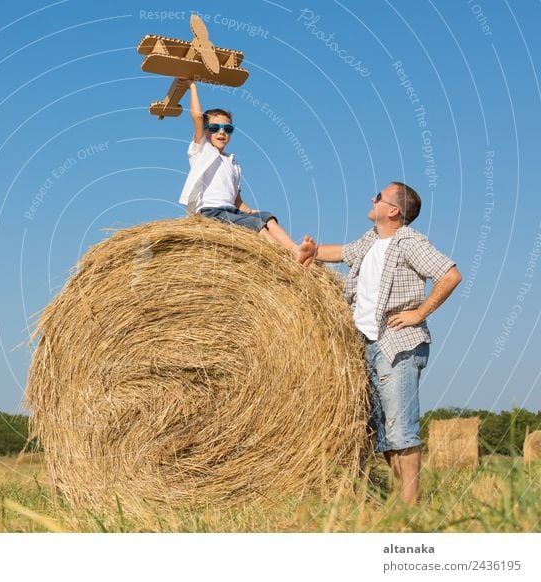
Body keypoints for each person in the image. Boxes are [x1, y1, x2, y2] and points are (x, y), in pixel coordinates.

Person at [315, 182, 461, 504]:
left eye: (378, 196)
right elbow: (341, 253)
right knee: (383, 435)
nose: (372, 198)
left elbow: (450, 275)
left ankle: (410, 511)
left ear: (393, 210)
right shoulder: (371, 241)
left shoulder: (409, 242)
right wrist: (308, 252)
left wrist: (420, 312)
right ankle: (403, 502)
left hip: (398, 345)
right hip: (368, 344)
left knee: (401, 430)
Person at [177, 79, 316, 264]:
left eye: (227, 128)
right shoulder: (202, 151)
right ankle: (281, 261)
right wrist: (191, 86)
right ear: (205, 131)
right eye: (214, 128)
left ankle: (294, 250)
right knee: (255, 225)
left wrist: (251, 210)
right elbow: (196, 116)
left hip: (232, 211)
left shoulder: (233, 163)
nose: (221, 132)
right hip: (211, 214)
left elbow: (236, 200)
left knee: (267, 218)